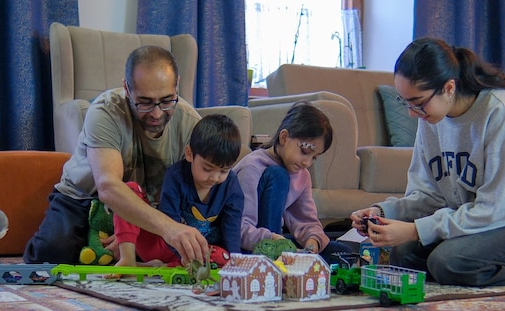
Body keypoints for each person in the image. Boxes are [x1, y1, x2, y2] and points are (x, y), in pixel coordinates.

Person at [350, 37, 505, 287]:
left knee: (448, 262)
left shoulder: (502, 113)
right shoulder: (431, 121)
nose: (412, 114)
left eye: (418, 103)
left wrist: (415, 230)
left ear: (448, 88)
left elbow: (495, 211)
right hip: (482, 216)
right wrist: (383, 212)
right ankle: (481, 260)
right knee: (402, 254)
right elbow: (430, 196)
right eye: (405, 102)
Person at [23, 45, 210, 265]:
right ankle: (95, 246)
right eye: (145, 102)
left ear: (176, 85)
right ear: (127, 89)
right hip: (84, 198)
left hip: (143, 209)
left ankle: (107, 253)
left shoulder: (191, 124)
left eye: (167, 100)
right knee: (50, 254)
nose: (157, 113)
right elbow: (108, 187)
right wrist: (167, 229)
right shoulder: (105, 111)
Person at [113, 114, 244, 268]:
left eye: (223, 171)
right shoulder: (176, 176)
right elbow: (169, 224)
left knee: (224, 257)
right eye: (207, 168)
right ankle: (127, 260)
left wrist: (235, 264)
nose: (214, 178)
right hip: (165, 242)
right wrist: (183, 254)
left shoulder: (232, 187)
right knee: (129, 191)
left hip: (196, 253)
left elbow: (232, 231)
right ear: (189, 154)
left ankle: (158, 266)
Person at [234, 101, 353, 263]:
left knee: (342, 253)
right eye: (304, 152)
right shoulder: (252, 167)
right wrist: (276, 241)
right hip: (249, 247)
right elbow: (238, 228)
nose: (307, 163)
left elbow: (307, 221)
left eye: (314, 158)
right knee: (278, 175)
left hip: (278, 240)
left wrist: (313, 242)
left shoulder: (302, 174)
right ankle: (272, 261)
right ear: (284, 137)